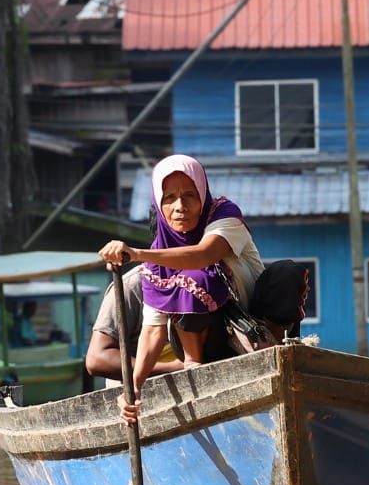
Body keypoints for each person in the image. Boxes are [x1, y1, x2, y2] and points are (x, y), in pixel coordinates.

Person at [99, 154, 263, 420]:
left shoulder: (224, 215)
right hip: (205, 347)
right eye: (169, 198)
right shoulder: (155, 264)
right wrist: (135, 388)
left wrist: (137, 254)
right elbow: (152, 332)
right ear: (158, 205)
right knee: (188, 283)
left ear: (202, 192)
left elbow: (201, 255)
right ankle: (193, 363)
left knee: (197, 277)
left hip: (250, 321)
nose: (180, 206)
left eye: (189, 195)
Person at [82, 265, 231, 382]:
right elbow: (97, 359)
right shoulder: (132, 288)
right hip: (141, 397)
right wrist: (173, 369)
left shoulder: (214, 276)